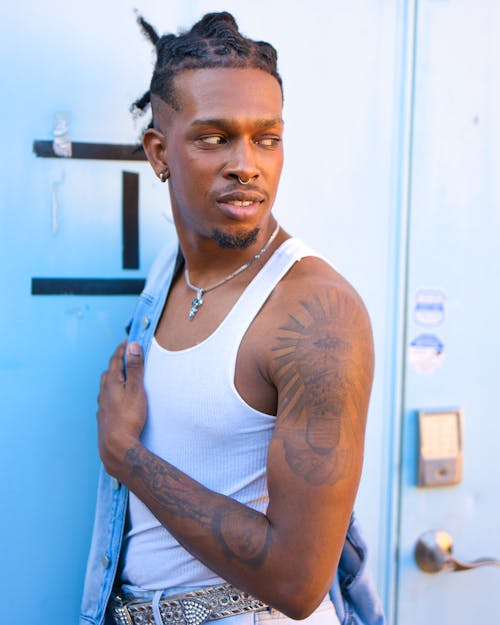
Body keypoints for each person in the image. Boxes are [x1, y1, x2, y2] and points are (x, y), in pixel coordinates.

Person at [80, 11, 378, 625]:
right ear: (159, 152)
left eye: (266, 137)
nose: (247, 163)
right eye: (214, 137)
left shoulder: (316, 316)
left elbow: (297, 582)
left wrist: (125, 455)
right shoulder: (169, 273)